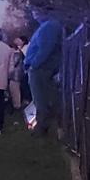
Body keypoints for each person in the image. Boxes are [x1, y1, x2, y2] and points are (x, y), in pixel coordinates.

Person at [25, 8, 64, 136]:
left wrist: (34, 65)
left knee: (41, 99)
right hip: (41, 68)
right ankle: (45, 126)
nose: (34, 13)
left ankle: (42, 128)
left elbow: (45, 49)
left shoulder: (50, 26)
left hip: (41, 68)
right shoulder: (46, 26)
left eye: (36, 10)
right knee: (42, 98)